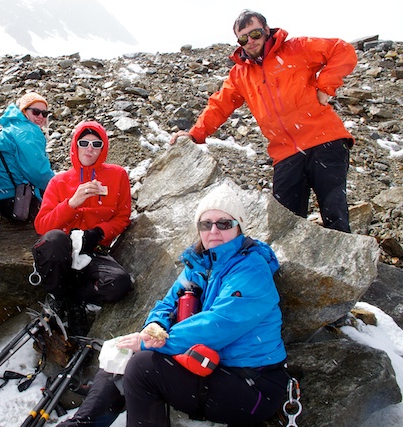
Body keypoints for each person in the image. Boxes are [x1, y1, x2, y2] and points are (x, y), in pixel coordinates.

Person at [58, 184, 288, 427]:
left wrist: (149, 342)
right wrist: (154, 327)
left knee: (143, 366)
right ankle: (82, 423)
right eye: (205, 224)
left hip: (252, 386)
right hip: (210, 367)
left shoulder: (251, 269)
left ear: (239, 227)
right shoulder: (201, 264)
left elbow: (220, 324)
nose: (214, 231)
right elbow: (168, 303)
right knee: (126, 351)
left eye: (224, 223)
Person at [171, 10, 357, 233]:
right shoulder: (240, 74)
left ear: (267, 31)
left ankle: (346, 266)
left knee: (334, 214)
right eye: (243, 38)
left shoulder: (298, 48)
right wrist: (194, 134)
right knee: (283, 225)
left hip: (325, 141)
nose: (250, 41)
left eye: (255, 34)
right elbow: (220, 105)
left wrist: (326, 86)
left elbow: (342, 50)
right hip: (286, 154)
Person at [32, 121, 132, 336]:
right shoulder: (59, 181)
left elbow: (123, 217)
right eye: (84, 142)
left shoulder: (118, 175)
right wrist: (71, 203)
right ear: (75, 146)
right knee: (54, 240)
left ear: (103, 148)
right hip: (62, 253)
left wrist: (97, 234)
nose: (90, 148)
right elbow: (42, 225)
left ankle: (71, 298)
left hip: (92, 252)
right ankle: (58, 299)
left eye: (96, 144)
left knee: (119, 283)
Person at [0, 92, 55, 222]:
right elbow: (38, 172)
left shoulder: (12, 127)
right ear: (24, 111)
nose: (41, 117)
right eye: (36, 112)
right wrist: (60, 187)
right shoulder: (27, 132)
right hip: (16, 200)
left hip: (0, 197)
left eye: (45, 114)